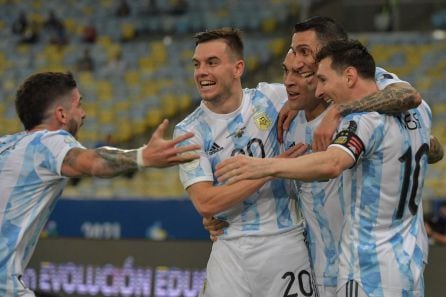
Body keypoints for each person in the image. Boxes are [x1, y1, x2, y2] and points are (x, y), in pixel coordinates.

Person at [204, 16, 443, 297]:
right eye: (291, 56)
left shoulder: (369, 94)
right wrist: (227, 213)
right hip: (321, 265)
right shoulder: (286, 111)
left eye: (305, 51)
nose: (296, 61)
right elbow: (426, 145)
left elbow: (408, 96)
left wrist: (341, 110)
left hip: (364, 263)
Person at [0, 72, 200, 297]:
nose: (83, 114)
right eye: (79, 104)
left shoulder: (6, 144)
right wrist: (143, 156)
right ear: (62, 114)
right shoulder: (49, 141)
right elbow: (93, 162)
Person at [174, 28, 315, 297]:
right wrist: (269, 169)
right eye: (197, 64)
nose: (201, 72)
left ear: (238, 68)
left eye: (212, 62)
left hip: (285, 242)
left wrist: (336, 112)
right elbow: (206, 202)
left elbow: (332, 85)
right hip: (230, 249)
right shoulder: (188, 131)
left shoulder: (272, 99)